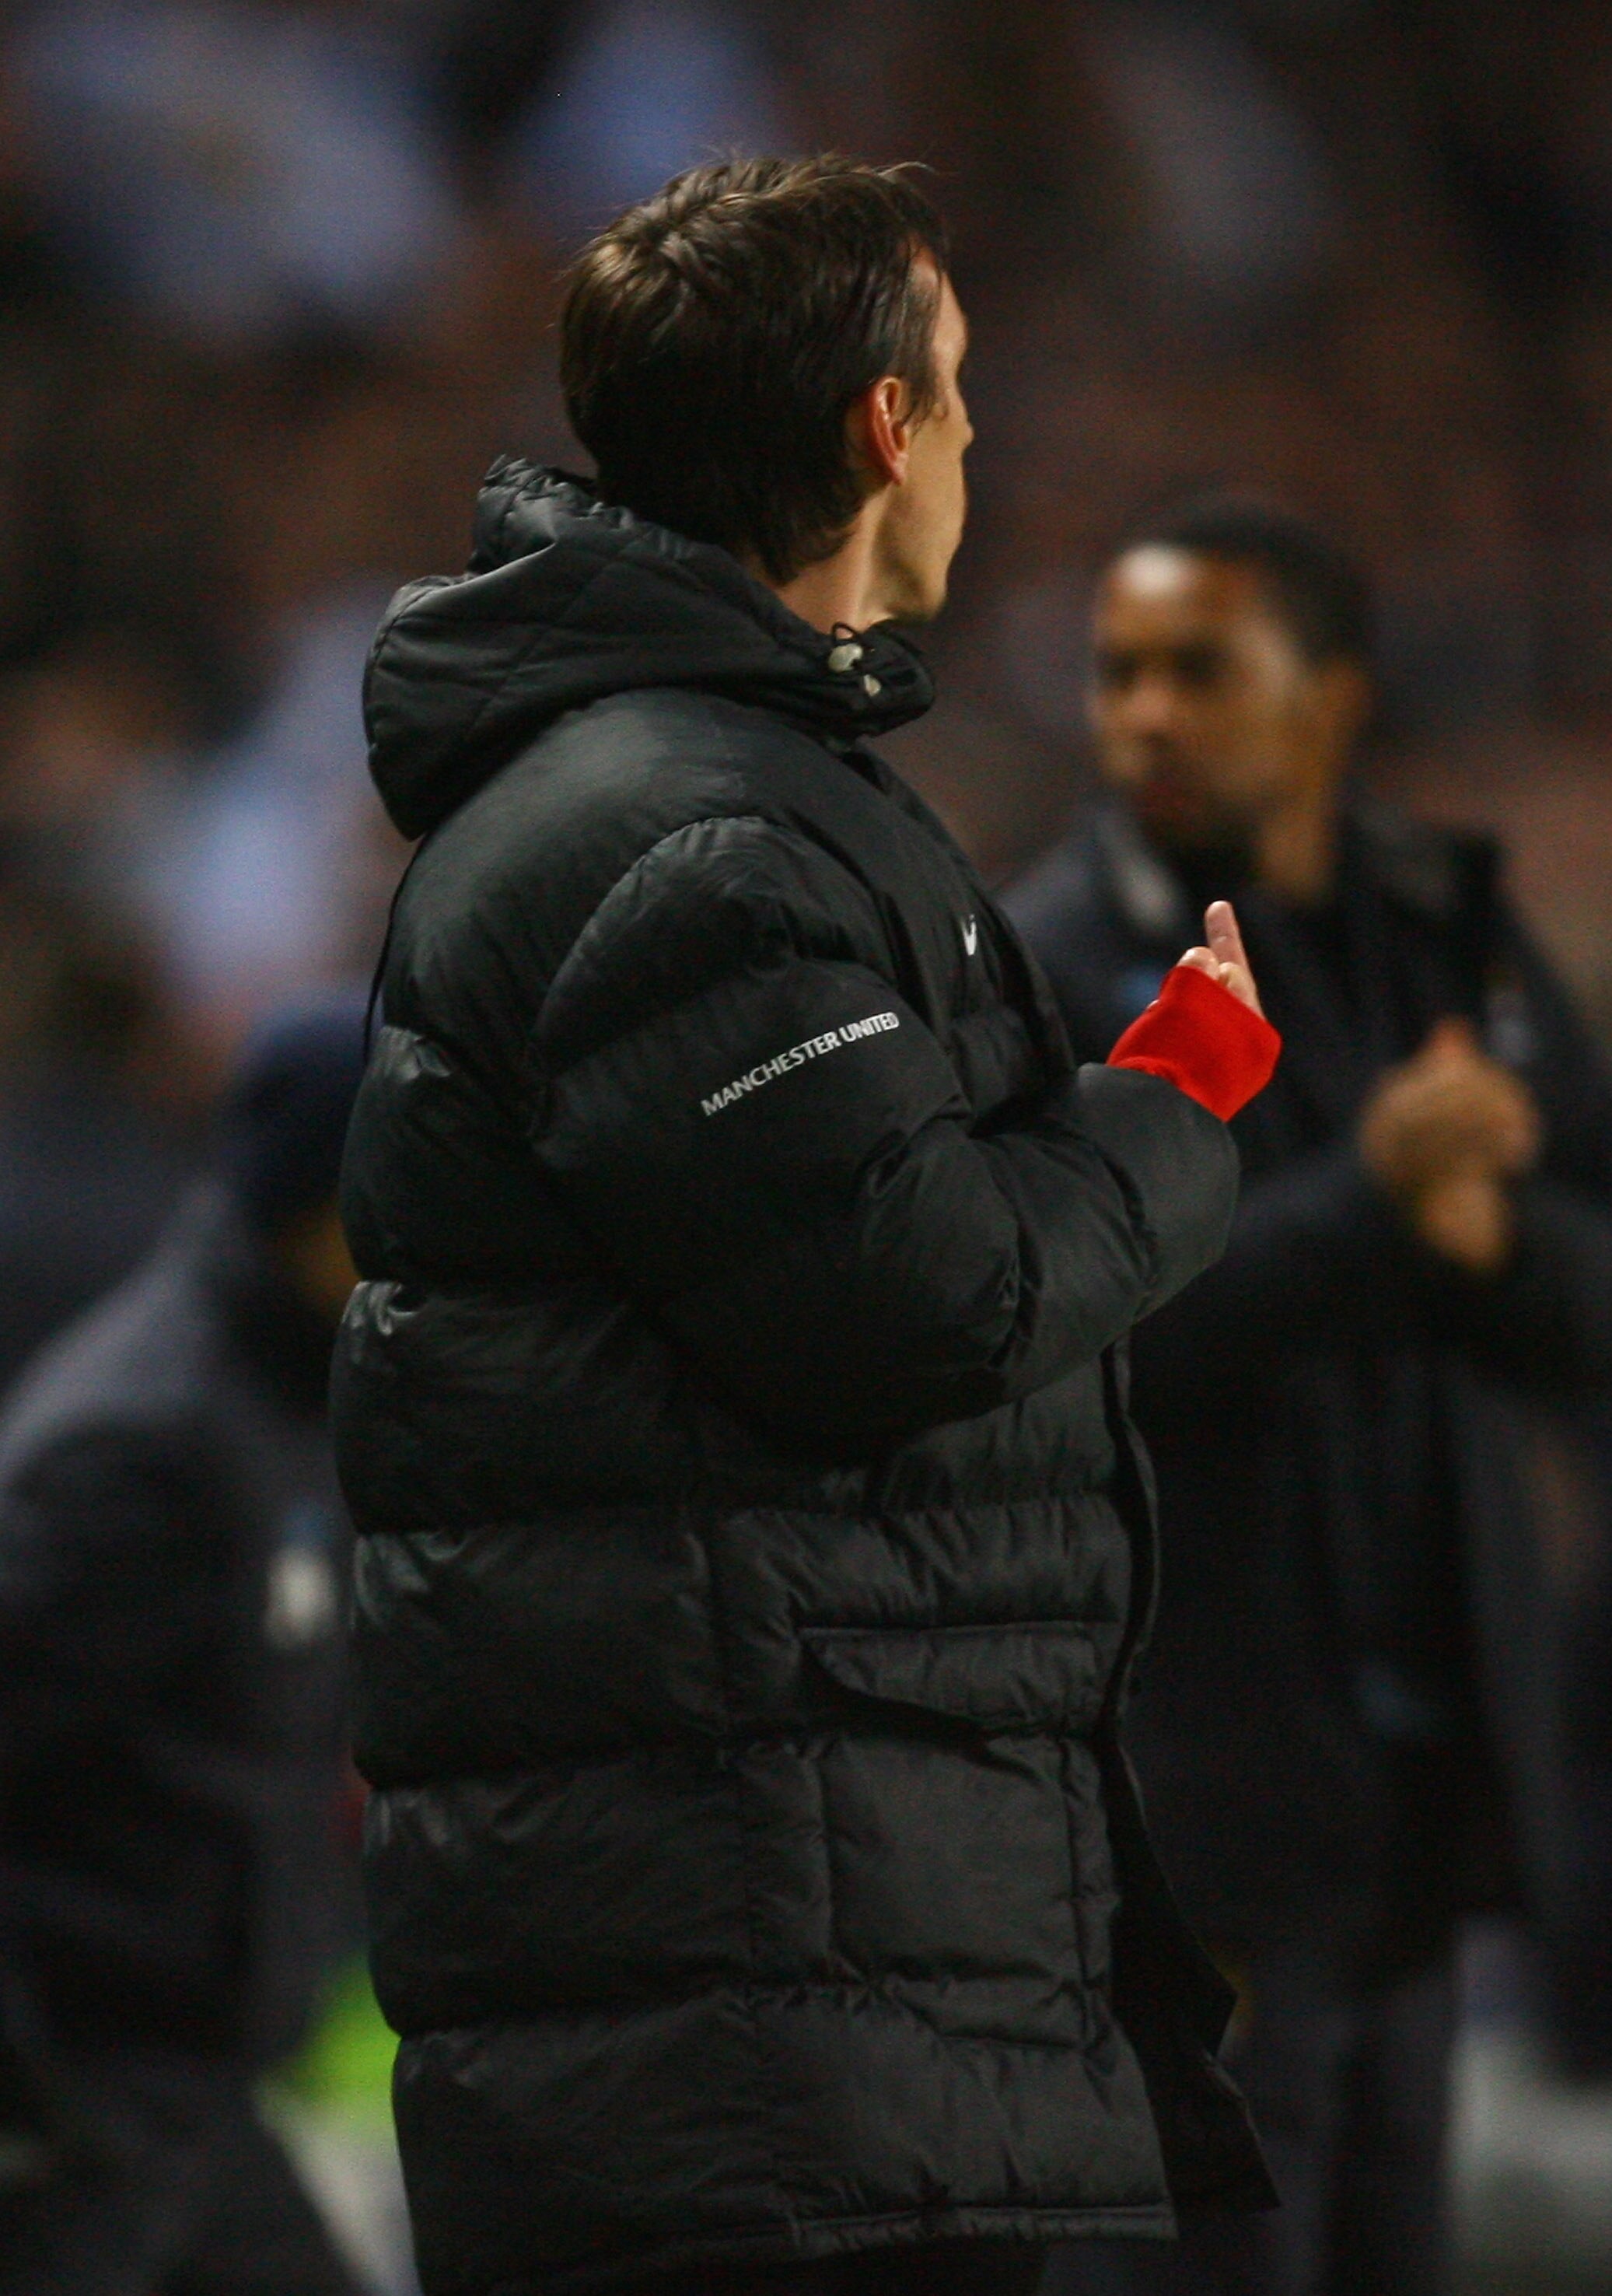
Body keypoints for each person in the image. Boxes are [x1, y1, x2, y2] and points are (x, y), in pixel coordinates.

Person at [334, 157, 1279, 2296]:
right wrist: (1179, 1104)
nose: (975, 434)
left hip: (803, 1976)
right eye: (958, 386)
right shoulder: (685, 830)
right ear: (879, 424)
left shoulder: (715, 793)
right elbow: (918, 1292)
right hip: (757, 1998)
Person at [1003, 496, 1612, 2296]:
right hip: (1186, 1812)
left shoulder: (1449, 939)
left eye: (1197, 669)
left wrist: (1483, 1238)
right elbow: (1061, 1338)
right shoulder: (1040, 972)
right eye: (1117, 674)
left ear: (1330, 700)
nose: (1141, 717)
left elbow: (1592, 1302)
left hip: (1425, 1802)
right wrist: (1368, 1206)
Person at [0, 994, 369, 2295]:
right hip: (82, 2116)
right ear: (314, 1199)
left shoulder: (290, 1392)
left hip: (195, 2104)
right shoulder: (143, 1449)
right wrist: (33, 2103)